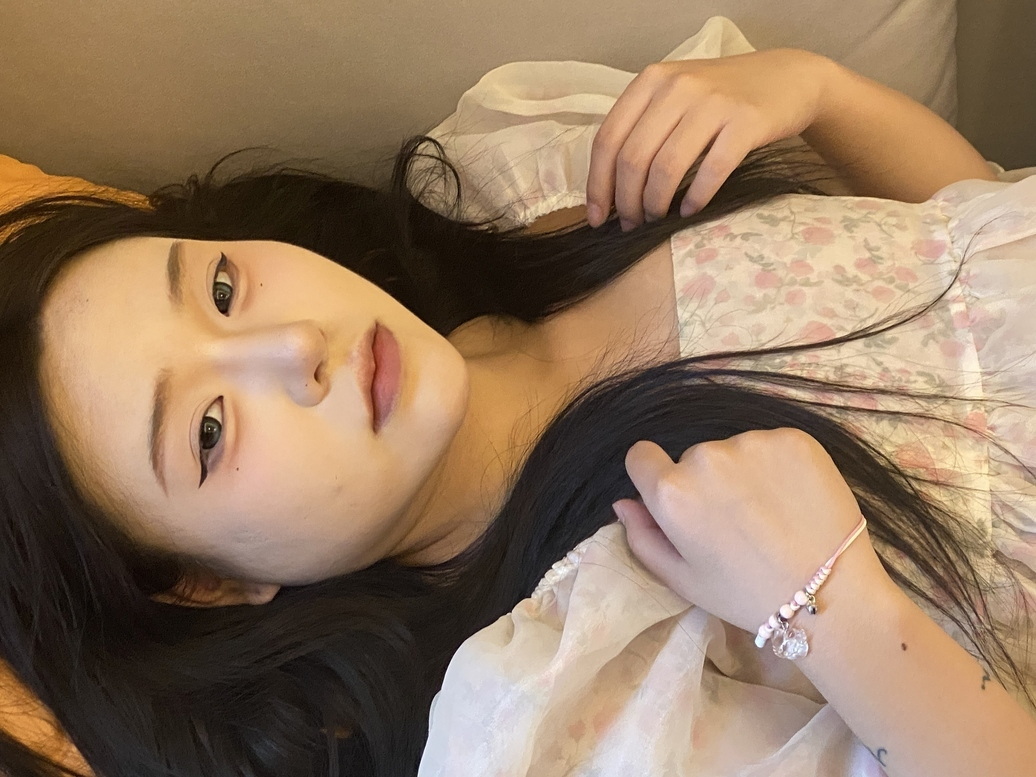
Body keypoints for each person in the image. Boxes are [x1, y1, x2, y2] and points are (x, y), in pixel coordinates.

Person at [0, 43, 1033, 777]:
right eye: (209, 430)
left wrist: (819, 91)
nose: (292, 346)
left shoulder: (530, 194)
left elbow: (979, 237)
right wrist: (835, 613)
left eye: (221, 287)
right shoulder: (562, 698)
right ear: (210, 585)